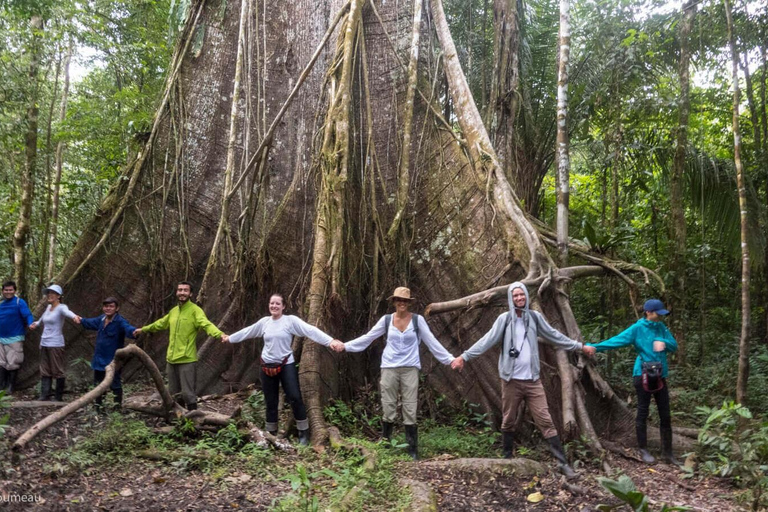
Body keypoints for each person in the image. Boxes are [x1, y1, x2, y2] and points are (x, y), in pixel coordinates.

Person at [451, 282, 595, 479]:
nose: (519, 298)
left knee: (545, 420)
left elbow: (554, 336)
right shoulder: (504, 319)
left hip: (533, 380)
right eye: (516, 296)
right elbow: (486, 340)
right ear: (511, 299)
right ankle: (507, 458)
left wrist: (579, 346)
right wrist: (464, 357)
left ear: (527, 296)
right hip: (511, 380)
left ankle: (563, 465)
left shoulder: (534, 318)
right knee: (509, 418)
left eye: (522, 295)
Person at [342, 287, 456, 460]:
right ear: (394, 302)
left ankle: (412, 448)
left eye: (405, 300)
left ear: (409, 303)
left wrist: (450, 359)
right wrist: (346, 346)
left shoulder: (417, 321)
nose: (402, 303)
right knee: (388, 405)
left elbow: (432, 342)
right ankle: (386, 442)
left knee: (410, 406)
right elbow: (369, 337)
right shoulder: (386, 320)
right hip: (389, 367)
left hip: (410, 368)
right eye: (399, 300)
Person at [221, 293, 344, 446]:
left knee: (295, 397)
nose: (274, 306)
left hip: (286, 364)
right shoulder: (264, 322)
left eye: (277, 304)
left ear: (283, 306)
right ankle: (271, 434)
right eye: (271, 303)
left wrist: (330, 341)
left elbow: (310, 330)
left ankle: (303, 433)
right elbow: (248, 331)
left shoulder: (290, 321)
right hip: (266, 365)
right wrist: (229, 338)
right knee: (271, 401)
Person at [586, 299, 679, 465]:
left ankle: (668, 453)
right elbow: (617, 340)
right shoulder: (637, 328)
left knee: (665, 414)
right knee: (643, 412)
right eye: (658, 313)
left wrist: (664, 343)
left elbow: (674, 345)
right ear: (648, 312)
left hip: (660, 375)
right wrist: (595, 347)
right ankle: (643, 450)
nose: (660, 316)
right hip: (642, 374)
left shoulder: (661, 328)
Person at [134, 282, 222, 411]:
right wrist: (144, 329)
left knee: (188, 393)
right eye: (180, 290)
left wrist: (219, 335)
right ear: (176, 292)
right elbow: (160, 324)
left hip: (187, 359)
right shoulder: (174, 311)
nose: (182, 293)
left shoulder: (195, 311)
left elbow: (206, 324)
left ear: (191, 294)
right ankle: (178, 420)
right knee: (174, 393)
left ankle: (193, 421)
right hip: (171, 359)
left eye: (185, 290)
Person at [80, 297, 137, 410]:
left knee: (115, 384)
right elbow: (90, 322)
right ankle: (99, 407)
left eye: (111, 306)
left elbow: (128, 329)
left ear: (117, 308)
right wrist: (80, 320)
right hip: (99, 359)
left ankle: (117, 408)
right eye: (106, 306)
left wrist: (135, 332)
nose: (108, 308)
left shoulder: (120, 321)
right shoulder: (101, 319)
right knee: (98, 385)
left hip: (113, 361)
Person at [29, 284, 82, 401]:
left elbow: (68, 312)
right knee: (44, 369)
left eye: (53, 293)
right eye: (48, 292)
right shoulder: (48, 308)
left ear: (58, 296)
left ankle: (58, 397)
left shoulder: (61, 307)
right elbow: (42, 319)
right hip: (44, 342)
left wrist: (74, 317)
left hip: (56, 343)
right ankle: (44, 395)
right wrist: (36, 324)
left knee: (57, 370)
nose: (50, 295)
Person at [0, 281, 35, 394]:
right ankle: (2, 386)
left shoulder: (19, 302)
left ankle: (11, 387)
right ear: (3, 291)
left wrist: (30, 323)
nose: (8, 292)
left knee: (13, 362)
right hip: (1, 338)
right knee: (1, 362)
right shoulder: (1, 304)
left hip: (15, 337)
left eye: (11, 290)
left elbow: (27, 315)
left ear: (14, 291)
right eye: (6, 290)